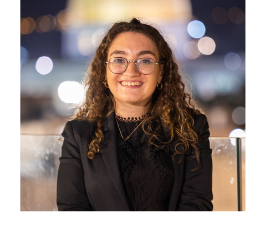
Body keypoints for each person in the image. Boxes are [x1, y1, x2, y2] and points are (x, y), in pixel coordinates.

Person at [57, 18, 212, 212]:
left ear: (161, 72)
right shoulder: (78, 134)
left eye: (145, 61)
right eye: (119, 60)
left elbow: (197, 204)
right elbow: (71, 207)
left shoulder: (191, 127)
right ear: (105, 71)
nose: (131, 71)